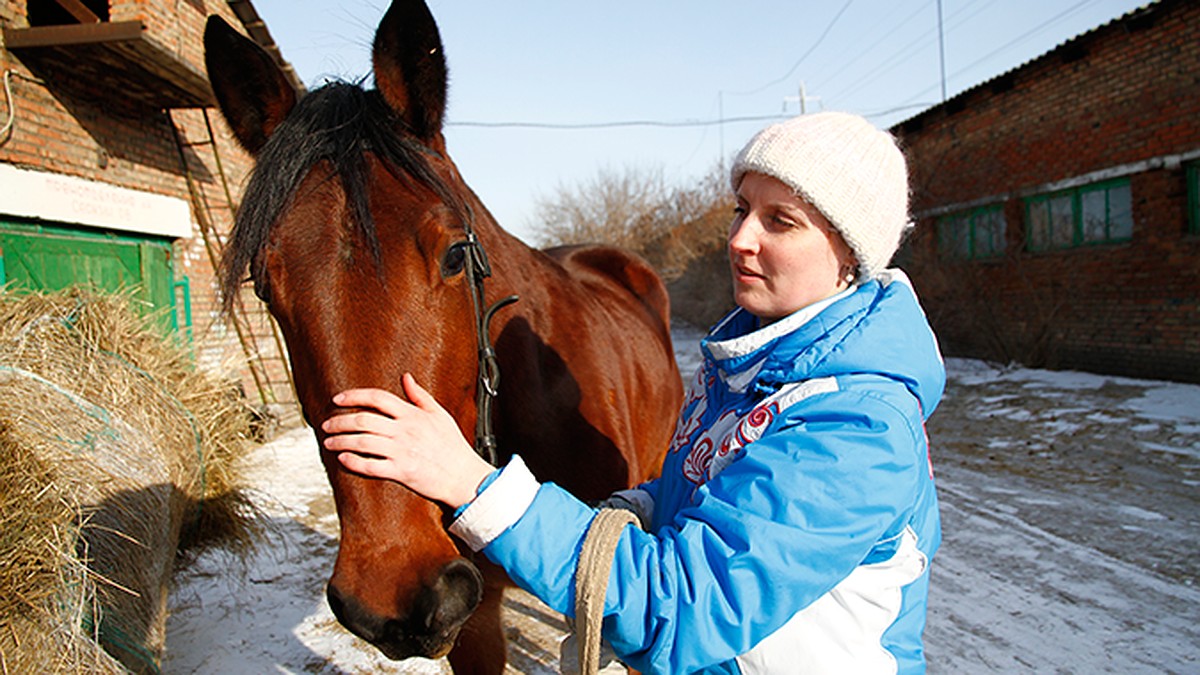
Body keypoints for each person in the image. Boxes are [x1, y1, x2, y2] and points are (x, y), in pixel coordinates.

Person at [322, 111, 945, 674]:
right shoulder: (750, 366)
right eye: (740, 209)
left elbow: (682, 613)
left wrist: (471, 484)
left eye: (780, 221)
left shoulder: (855, 426)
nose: (739, 239)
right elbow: (698, 488)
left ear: (849, 254)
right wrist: (628, 510)